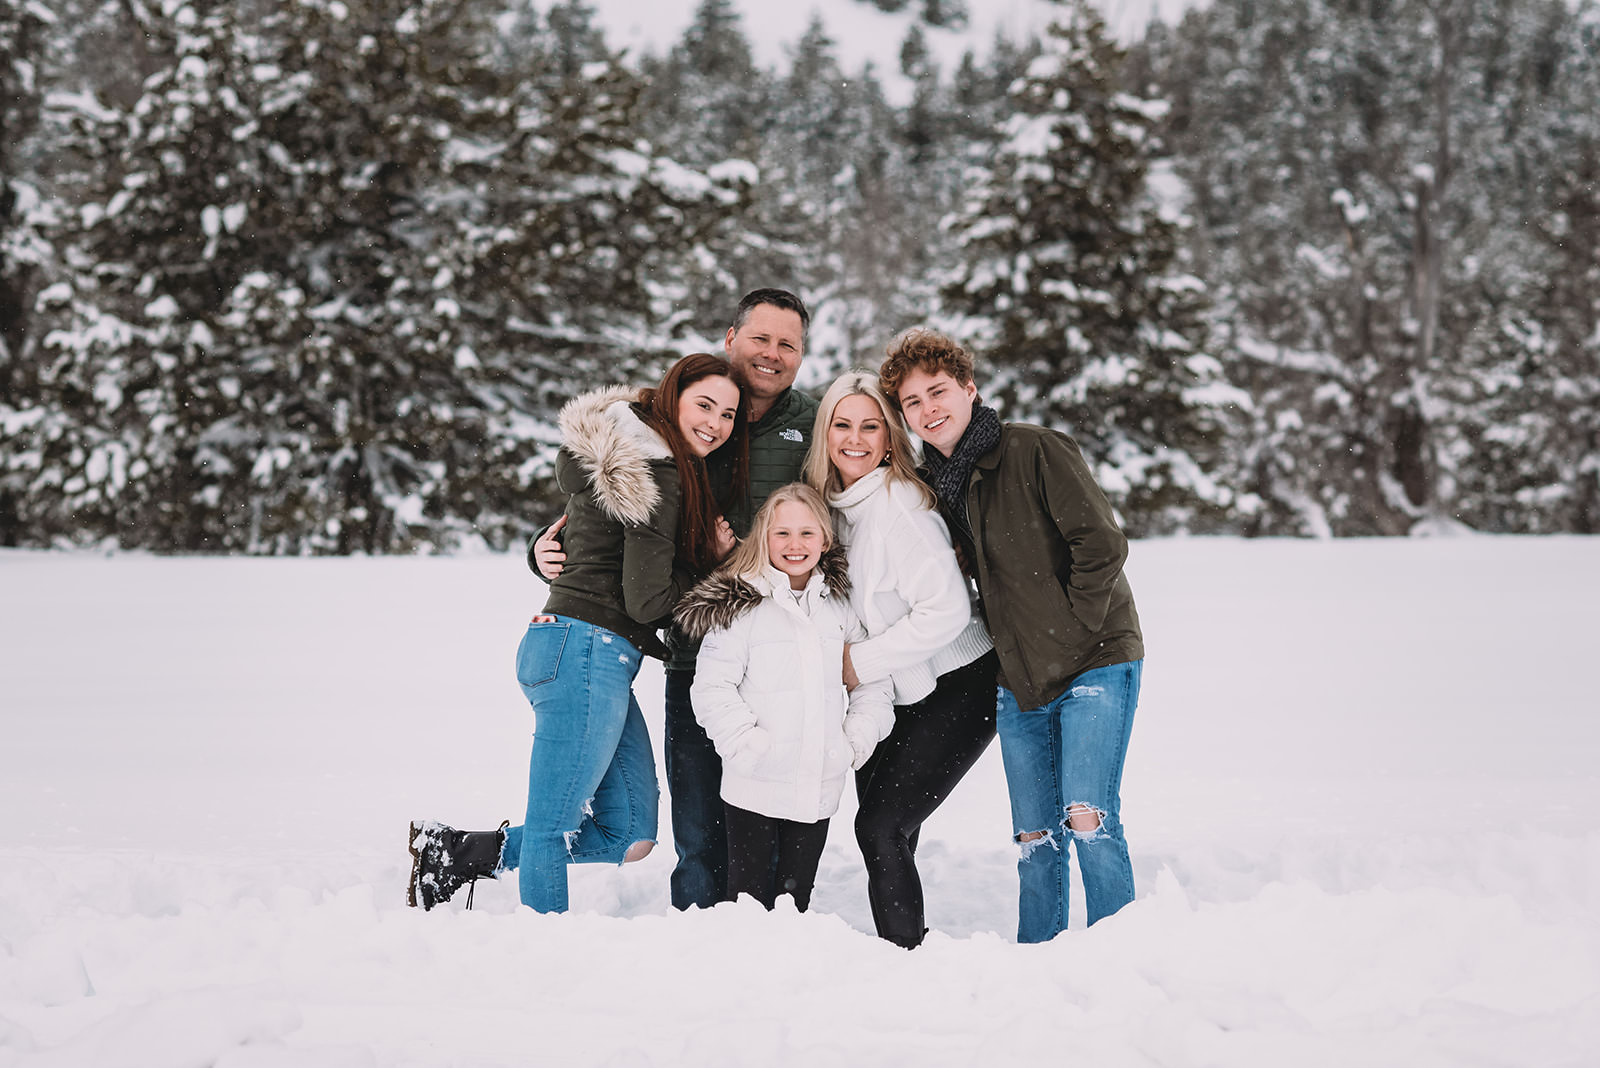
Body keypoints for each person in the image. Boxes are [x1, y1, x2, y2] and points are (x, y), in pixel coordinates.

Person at [407, 352, 749, 913]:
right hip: (584, 648)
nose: (715, 423)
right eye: (704, 405)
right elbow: (647, 602)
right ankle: (545, 955)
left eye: (728, 415)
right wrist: (717, 567)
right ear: (671, 398)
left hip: (585, 651)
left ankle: (457, 854)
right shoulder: (655, 472)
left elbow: (585, 545)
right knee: (552, 824)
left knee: (631, 832)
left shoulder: (631, 454)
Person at [532, 289, 818, 911]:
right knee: (696, 833)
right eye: (760, 338)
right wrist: (544, 550)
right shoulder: (665, 426)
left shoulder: (816, 423)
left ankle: (776, 946)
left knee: (772, 822)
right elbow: (600, 500)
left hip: (781, 656)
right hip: (690, 649)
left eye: (787, 344)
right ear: (729, 338)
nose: (771, 354)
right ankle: (696, 943)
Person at [879, 327, 1145, 944]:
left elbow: (1101, 547)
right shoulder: (936, 489)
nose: (928, 410)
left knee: (1087, 816)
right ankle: (1039, 960)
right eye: (913, 403)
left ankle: (1118, 956)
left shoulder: (1034, 450)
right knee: (1034, 835)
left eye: (938, 392)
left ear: (970, 389)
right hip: (1018, 679)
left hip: (1094, 659)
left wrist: (1071, 627)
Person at [802, 370, 998, 948]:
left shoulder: (897, 506)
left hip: (960, 681)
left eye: (872, 426)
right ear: (825, 432)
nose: (855, 438)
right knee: (890, 830)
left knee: (880, 826)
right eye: (842, 424)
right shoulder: (837, 507)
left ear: (890, 437)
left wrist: (857, 664)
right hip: (897, 690)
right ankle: (904, 948)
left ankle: (905, 955)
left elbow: (947, 612)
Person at [673, 484, 893, 912]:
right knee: (749, 900)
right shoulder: (740, 604)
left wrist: (853, 741)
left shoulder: (839, 606)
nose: (795, 545)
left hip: (819, 782)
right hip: (753, 783)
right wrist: (749, 748)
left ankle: (790, 974)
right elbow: (712, 687)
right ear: (763, 539)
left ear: (825, 540)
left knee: (796, 899)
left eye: (807, 534)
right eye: (782, 534)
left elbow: (872, 681)